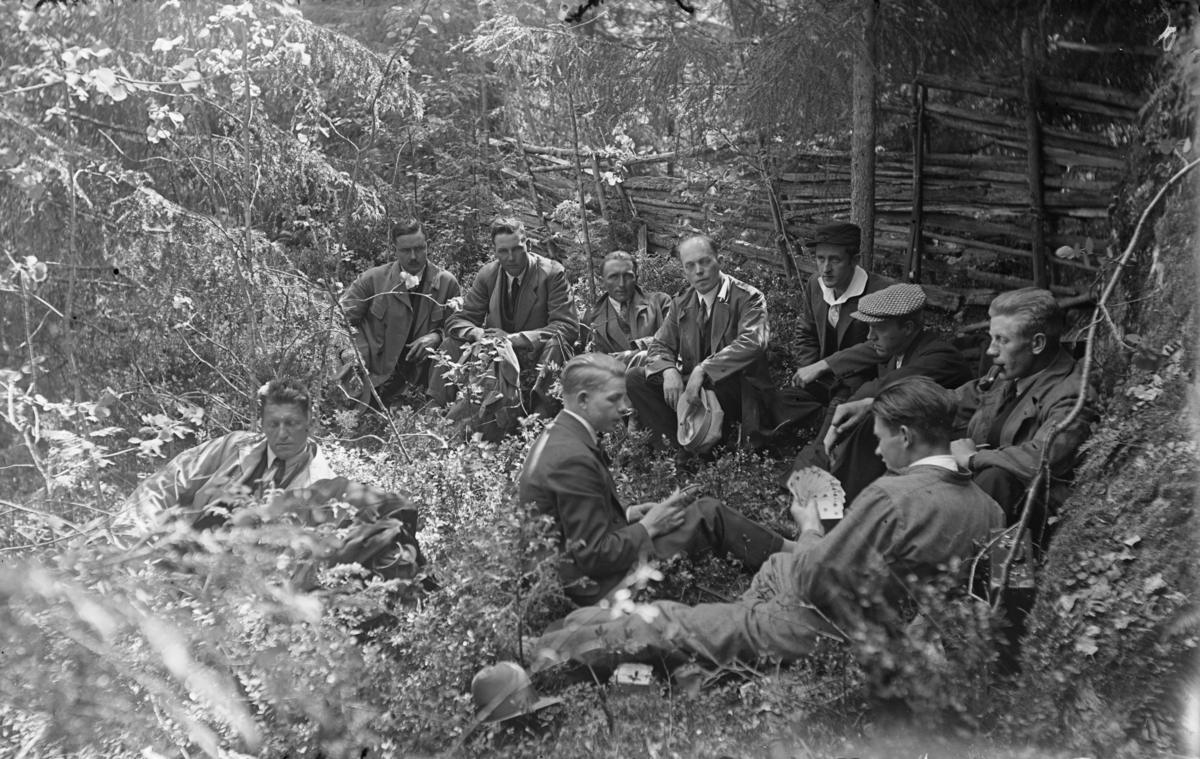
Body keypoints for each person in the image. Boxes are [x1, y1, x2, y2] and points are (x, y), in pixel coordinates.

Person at [530, 377, 1004, 672]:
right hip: (879, 621)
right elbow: (990, 593)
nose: (878, 453)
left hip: (823, 623)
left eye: (881, 441)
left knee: (664, 620)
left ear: (906, 435)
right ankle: (720, 641)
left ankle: (543, 651)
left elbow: (817, 579)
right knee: (774, 564)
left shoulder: (892, 497)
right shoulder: (989, 507)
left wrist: (811, 527)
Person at [521, 353, 793, 607]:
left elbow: (572, 523)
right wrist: (649, 527)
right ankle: (801, 558)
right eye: (614, 399)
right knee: (708, 515)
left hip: (580, 577)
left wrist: (628, 514)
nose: (625, 408)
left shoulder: (560, 434)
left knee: (702, 512)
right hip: (595, 589)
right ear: (582, 400)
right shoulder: (572, 457)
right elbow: (593, 556)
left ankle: (790, 555)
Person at [796, 283, 973, 503]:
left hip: (944, 454)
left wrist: (831, 436)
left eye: (878, 328)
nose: (870, 336)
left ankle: (837, 502)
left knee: (875, 417)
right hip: (913, 447)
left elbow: (883, 388)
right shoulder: (901, 347)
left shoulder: (940, 357)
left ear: (907, 327)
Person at [949, 288, 1095, 531]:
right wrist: (887, 407)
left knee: (996, 477)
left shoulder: (1072, 394)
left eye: (1003, 340)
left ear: (1037, 343)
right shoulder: (1012, 373)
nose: (991, 350)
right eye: (991, 337)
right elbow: (958, 400)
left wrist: (973, 458)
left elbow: (1041, 459)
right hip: (986, 495)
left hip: (1035, 515)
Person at [116, 378, 337, 533]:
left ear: (311, 423)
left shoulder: (324, 489)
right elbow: (165, 484)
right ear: (261, 424)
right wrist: (130, 534)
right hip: (180, 557)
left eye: (292, 423)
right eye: (272, 424)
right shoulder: (235, 446)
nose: (281, 434)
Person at [625, 235, 772, 461]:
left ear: (720, 261)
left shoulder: (748, 298)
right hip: (696, 388)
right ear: (684, 271)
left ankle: (704, 447)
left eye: (705, 262)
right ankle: (676, 445)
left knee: (716, 384)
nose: (698, 271)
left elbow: (753, 343)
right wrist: (668, 370)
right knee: (636, 377)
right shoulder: (682, 302)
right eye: (690, 266)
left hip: (736, 388)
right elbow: (660, 344)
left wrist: (703, 369)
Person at [762, 222, 895, 448]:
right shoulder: (816, 283)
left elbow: (879, 347)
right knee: (779, 401)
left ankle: (830, 428)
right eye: (820, 258)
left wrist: (824, 365)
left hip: (859, 381)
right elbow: (806, 330)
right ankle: (826, 423)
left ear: (855, 260)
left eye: (835, 260)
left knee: (841, 409)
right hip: (824, 380)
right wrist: (808, 368)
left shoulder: (881, 291)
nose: (826, 268)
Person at [437, 217, 579, 415]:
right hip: (495, 357)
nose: (511, 258)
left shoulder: (551, 274)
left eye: (517, 249)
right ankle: (435, 410)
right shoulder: (488, 274)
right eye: (503, 251)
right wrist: (478, 333)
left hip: (535, 357)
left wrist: (513, 339)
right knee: (450, 343)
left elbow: (567, 327)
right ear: (495, 252)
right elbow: (457, 321)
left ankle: (540, 417)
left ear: (528, 245)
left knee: (556, 344)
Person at [341, 218, 462, 407]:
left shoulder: (446, 283)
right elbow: (337, 321)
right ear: (395, 250)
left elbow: (460, 328)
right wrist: (347, 351)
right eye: (405, 250)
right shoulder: (373, 279)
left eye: (419, 248)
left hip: (421, 379)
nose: (413, 256)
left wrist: (438, 336)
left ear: (427, 246)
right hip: (375, 375)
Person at [579, 250, 670, 366]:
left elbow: (672, 339)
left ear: (636, 278)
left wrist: (635, 353)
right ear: (602, 282)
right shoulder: (589, 318)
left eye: (627, 276)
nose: (621, 284)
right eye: (613, 277)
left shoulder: (660, 303)